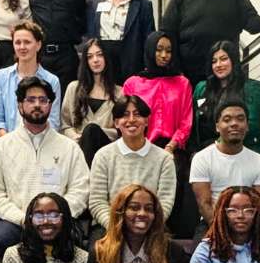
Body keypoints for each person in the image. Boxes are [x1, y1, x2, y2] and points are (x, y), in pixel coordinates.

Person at [0, 76, 88, 257]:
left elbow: (80, 190)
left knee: (77, 242)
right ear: (19, 105)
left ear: (50, 105)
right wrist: (24, 219)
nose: (37, 105)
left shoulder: (69, 147)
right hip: (16, 222)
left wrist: (55, 217)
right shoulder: (1, 147)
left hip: (59, 222)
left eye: (43, 100)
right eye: (30, 100)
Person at [88, 95, 177, 239]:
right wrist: (116, 227)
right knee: (96, 253)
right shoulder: (103, 156)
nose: (131, 120)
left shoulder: (164, 159)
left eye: (137, 115)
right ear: (116, 123)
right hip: (110, 226)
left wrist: (145, 226)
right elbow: (97, 202)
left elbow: (165, 203)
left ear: (147, 121)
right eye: (124, 115)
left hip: (150, 227)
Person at [189, 99, 260, 235]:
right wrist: (221, 232)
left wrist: (243, 234)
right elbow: (204, 204)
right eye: (227, 120)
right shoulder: (202, 158)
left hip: (249, 226)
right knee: (197, 255)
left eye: (240, 119)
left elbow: (258, 205)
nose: (234, 124)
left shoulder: (258, 161)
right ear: (217, 126)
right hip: (212, 223)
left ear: (247, 126)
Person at [84, 0, 155, 83]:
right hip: (100, 70)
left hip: (132, 71)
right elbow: (88, 37)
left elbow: (149, 42)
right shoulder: (93, 4)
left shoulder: (144, 6)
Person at [192, 40, 260, 160]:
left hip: (244, 154)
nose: (218, 65)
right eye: (214, 61)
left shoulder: (252, 87)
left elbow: (250, 125)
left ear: (234, 60)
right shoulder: (202, 88)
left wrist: (219, 148)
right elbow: (193, 124)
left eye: (223, 59)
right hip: (207, 156)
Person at [122, 31, 193, 155]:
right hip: (140, 148)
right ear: (150, 50)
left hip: (173, 148)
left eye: (169, 51)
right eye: (159, 50)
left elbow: (186, 123)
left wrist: (171, 146)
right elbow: (126, 120)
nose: (164, 55)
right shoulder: (133, 84)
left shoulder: (182, 83)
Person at [0, 20, 61, 136]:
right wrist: (11, 142)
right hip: (7, 143)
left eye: (27, 42)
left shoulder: (52, 80)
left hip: (40, 143)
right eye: (17, 42)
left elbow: (53, 122)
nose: (22, 47)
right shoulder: (1, 76)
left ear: (38, 45)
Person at [60, 37, 121, 165]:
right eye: (90, 57)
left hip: (107, 151)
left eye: (99, 55)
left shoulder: (119, 93)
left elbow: (120, 130)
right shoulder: (73, 88)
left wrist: (94, 132)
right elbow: (64, 125)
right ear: (85, 61)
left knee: (91, 130)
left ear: (106, 58)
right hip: (77, 148)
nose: (95, 60)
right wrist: (77, 138)